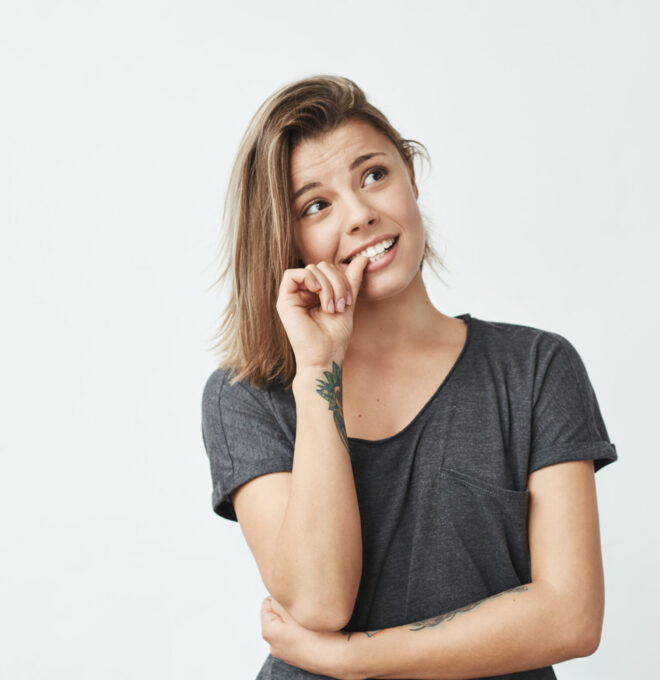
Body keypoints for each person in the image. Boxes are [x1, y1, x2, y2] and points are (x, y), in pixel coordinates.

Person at [201, 74, 618, 680]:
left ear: (411, 176)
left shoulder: (534, 369)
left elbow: (571, 616)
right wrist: (318, 369)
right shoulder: (247, 398)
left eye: (374, 175)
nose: (360, 215)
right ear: (284, 238)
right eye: (316, 206)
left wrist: (356, 660)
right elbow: (319, 602)